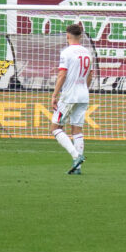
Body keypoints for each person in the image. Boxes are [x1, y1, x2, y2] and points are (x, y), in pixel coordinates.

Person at [50, 24, 92, 174]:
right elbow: (90, 75)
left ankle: (76, 156)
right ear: (80, 36)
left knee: (55, 128)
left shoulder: (66, 52)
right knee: (77, 130)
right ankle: (77, 168)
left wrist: (54, 95)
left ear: (67, 35)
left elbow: (62, 75)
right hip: (83, 94)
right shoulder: (87, 52)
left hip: (69, 95)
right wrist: (84, 89)